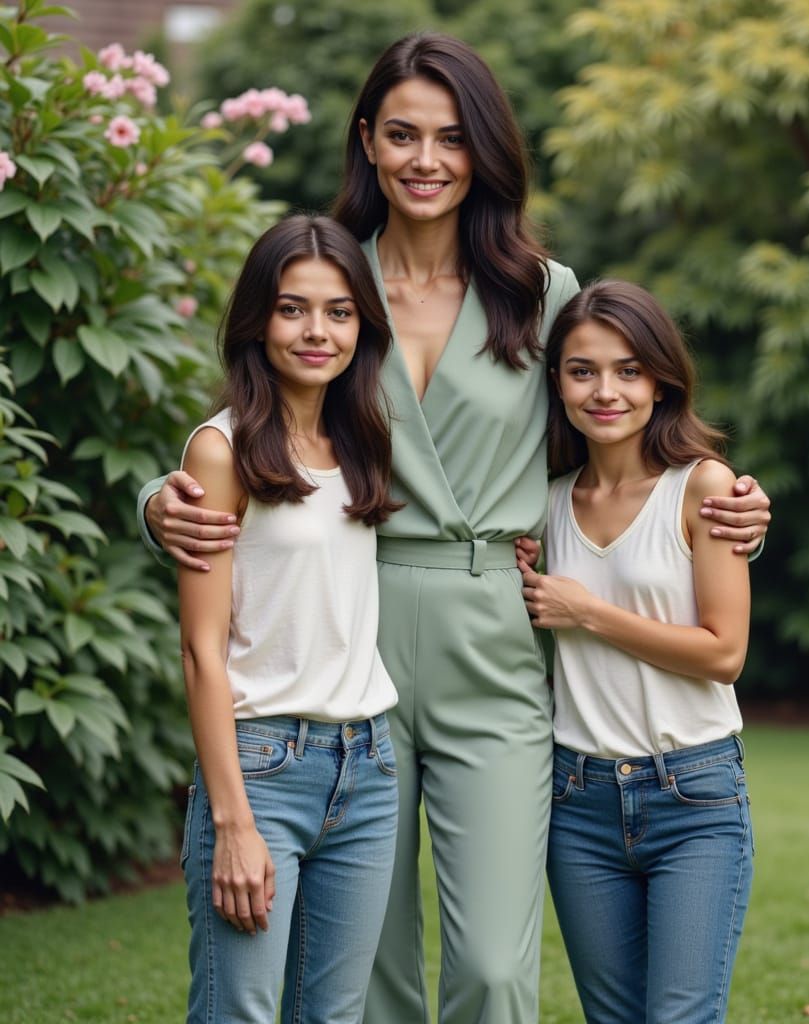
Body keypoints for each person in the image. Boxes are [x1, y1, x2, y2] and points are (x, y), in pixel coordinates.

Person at [140, 34, 771, 1024]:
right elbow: (258, 430)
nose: (425, 159)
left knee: (490, 965)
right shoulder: (332, 287)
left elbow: (613, 439)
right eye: (401, 135)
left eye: (450, 136)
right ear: (367, 144)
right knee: (369, 966)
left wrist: (724, 502)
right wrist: (159, 498)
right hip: (358, 628)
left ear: (481, 150)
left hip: (499, 635)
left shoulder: (542, 292)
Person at [176, 214, 401, 1024]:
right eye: (292, 308)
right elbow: (202, 653)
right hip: (262, 764)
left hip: (369, 767)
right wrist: (232, 821)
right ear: (256, 321)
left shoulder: (363, 440)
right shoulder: (220, 450)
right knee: (238, 1012)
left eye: (339, 311)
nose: (318, 331)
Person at [521, 280, 753, 1024]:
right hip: (576, 801)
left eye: (628, 370)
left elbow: (723, 654)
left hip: (692, 793)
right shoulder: (544, 503)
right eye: (582, 370)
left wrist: (586, 610)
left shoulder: (704, 488)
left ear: (661, 380)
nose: (605, 391)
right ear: (555, 383)